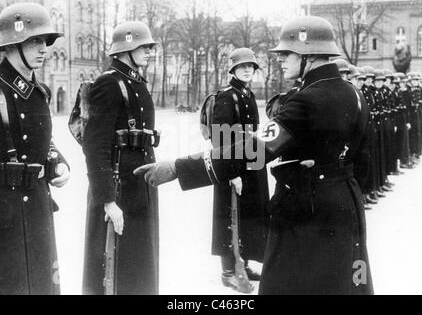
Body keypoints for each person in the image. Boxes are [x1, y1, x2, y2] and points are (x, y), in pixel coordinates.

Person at [135, 16, 374, 295]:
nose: (280, 59)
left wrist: (179, 168)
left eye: (287, 53)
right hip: (347, 206)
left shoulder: (307, 99)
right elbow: (364, 161)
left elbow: (256, 148)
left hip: (305, 210)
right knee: (347, 283)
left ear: (308, 53)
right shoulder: (354, 94)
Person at [82, 21, 160, 295]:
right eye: (144, 46)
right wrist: (107, 200)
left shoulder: (136, 81)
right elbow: (95, 145)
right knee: (114, 269)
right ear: (126, 48)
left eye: (150, 46)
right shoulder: (109, 83)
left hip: (140, 185)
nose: (150, 50)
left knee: (139, 263)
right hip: (118, 186)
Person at [0, 2, 70, 294]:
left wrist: (58, 161)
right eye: (34, 41)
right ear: (12, 44)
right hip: (5, 213)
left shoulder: (38, 92)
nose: (44, 48)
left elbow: (44, 140)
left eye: (45, 41)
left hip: (38, 206)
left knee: (42, 283)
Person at [209, 48, 269, 290]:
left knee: (249, 214)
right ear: (232, 69)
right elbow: (220, 137)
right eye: (242, 66)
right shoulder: (227, 96)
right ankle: (227, 271)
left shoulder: (247, 94)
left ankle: (242, 262)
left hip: (251, 162)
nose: (247, 70)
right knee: (228, 216)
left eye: (251, 66)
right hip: (231, 165)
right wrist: (232, 172)